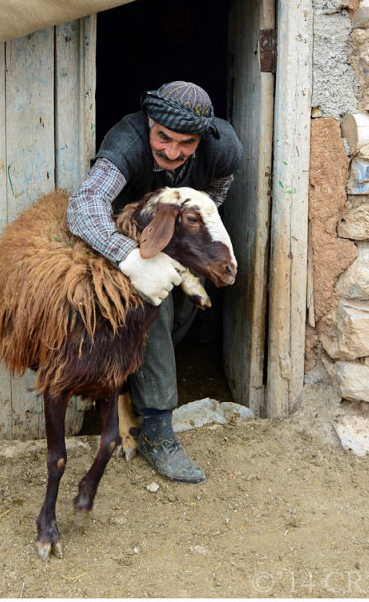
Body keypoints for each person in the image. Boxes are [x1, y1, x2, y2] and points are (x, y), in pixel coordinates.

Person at [67, 81, 243, 484]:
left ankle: (134, 377)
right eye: (163, 137)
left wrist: (187, 239)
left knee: (189, 302)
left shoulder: (223, 147)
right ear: (150, 122)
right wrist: (129, 256)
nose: (172, 151)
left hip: (175, 228)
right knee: (153, 306)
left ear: (203, 137)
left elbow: (215, 195)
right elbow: (83, 206)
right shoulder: (126, 141)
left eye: (186, 143)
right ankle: (157, 428)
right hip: (122, 237)